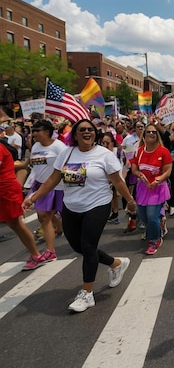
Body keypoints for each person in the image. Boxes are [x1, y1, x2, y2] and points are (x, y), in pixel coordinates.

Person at [22, 119, 135, 313]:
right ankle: (116, 263)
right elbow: (52, 179)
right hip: (71, 206)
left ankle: (86, 293)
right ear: (74, 134)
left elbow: (117, 180)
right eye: (81, 130)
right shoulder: (66, 153)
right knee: (78, 246)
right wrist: (34, 197)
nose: (86, 132)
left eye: (90, 129)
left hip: (98, 204)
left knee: (89, 245)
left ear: (95, 134)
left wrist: (130, 201)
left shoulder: (104, 155)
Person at [0, 141, 46, 270]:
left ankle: (36, 255)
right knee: (14, 224)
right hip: (5, 190)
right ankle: (35, 255)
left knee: (16, 224)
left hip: (6, 191)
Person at [26, 120, 66, 261]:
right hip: (40, 185)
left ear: (48, 132)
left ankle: (60, 228)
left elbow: (67, 164)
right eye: (33, 130)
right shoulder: (35, 146)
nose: (34, 133)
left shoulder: (59, 146)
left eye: (38, 130)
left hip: (57, 186)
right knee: (43, 216)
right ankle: (51, 250)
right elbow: (33, 165)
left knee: (46, 215)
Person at [130, 123, 172, 255]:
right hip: (143, 188)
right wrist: (138, 174)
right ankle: (159, 224)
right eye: (148, 132)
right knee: (143, 216)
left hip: (158, 188)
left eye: (154, 132)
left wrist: (159, 179)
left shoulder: (163, 151)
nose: (151, 134)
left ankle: (155, 239)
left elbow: (168, 170)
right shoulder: (139, 151)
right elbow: (134, 168)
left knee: (151, 216)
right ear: (144, 135)